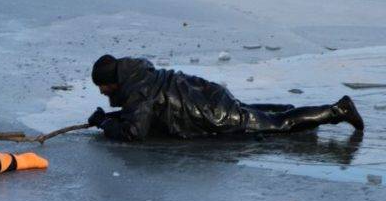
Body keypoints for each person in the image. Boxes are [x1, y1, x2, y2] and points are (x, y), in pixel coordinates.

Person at [87, 54, 364, 141]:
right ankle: (297, 113)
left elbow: (134, 133)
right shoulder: (140, 75)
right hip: (207, 96)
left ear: (114, 82)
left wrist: (104, 123)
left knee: (278, 124)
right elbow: (144, 113)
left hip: (211, 113)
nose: (102, 92)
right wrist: (113, 117)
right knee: (257, 114)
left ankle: (337, 111)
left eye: (103, 87)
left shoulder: (138, 92)